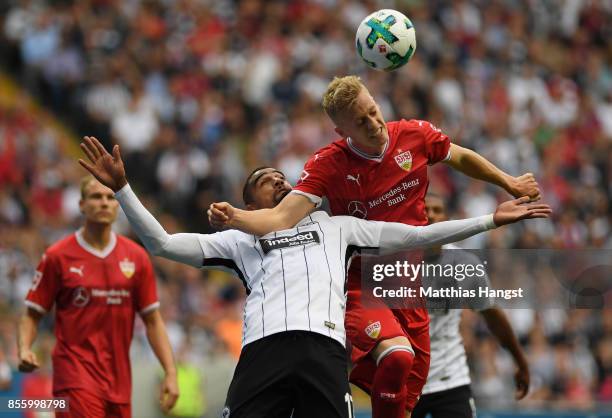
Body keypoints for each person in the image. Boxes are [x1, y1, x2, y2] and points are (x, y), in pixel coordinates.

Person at [78, 136, 549, 418]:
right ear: (250, 200)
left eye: (285, 178)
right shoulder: (239, 241)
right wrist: (122, 190)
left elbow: (413, 234)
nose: (283, 182)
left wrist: (490, 218)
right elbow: (161, 243)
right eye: (269, 180)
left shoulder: (337, 227)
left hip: (325, 351)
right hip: (263, 350)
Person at [207, 75, 541, 417]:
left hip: (409, 284)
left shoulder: (414, 134)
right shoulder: (327, 164)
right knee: (397, 356)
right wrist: (234, 217)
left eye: (373, 111)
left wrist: (509, 181)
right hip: (363, 283)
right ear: (342, 132)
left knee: (403, 400)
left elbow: (460, 156)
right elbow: (279, 218)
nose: (373, 124)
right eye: (360, 121)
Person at [17, 175, 179, 418]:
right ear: (81, 205)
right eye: (95, 197)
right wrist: (24, 348)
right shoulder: (57, 256)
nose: (104, 203)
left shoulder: (136, 257)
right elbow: (32, 313)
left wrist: (170, 373)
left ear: (117, 205)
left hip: (119, 381)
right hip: (74, 376)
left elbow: (153, 321)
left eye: (110, 198)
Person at [411, 193, 530, 418]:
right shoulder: (391, 263)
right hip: (404, 381)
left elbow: (492, 315)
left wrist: (520, 360)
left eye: (438, 210)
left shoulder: (465, 264)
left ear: (448, 218)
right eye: (426, 209)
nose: (432, 216)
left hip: (450, 379)